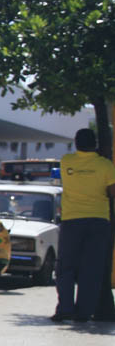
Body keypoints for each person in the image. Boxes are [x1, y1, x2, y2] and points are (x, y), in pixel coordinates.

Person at [52, 128, 115, 323]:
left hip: (72, 220)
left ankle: (64, 309)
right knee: (92, 268)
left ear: (76, 143)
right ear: (94, 143)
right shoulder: (106, 165)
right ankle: (84, 313)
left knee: (65, 267)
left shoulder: (66, 161)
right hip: (98, 220)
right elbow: (112, 191)